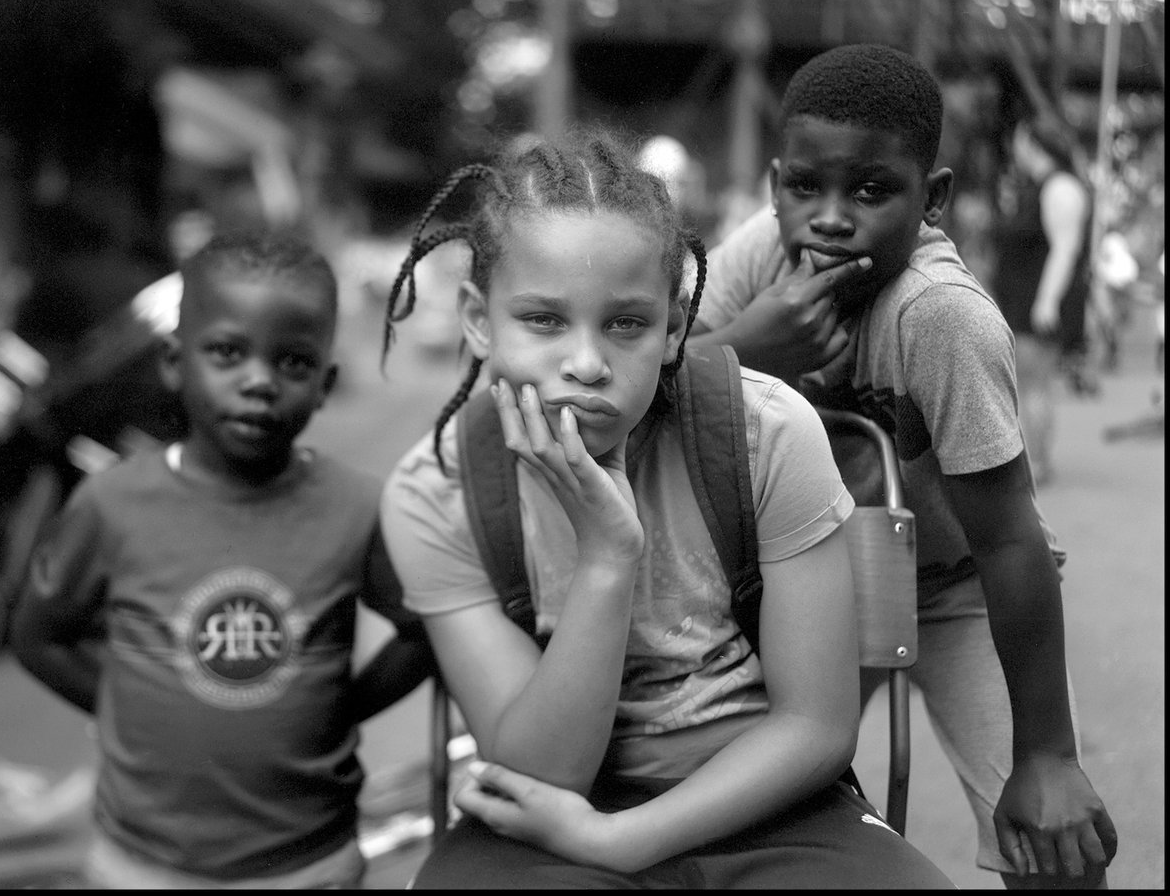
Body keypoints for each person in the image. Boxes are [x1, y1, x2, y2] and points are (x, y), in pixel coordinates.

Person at [377, 126, 953, 889]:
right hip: (550, 811)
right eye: (544, 320)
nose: (586, 365)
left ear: (676, 325)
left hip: (759, 790)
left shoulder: (762, 433)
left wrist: (625, 842)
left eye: (626, 323)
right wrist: (607, 558)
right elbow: (545, 773)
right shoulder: (439, 490)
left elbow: (815, 727)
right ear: (480, 321)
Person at [690, 44, 1117, 889]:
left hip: (959, 586)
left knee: (1054, 844)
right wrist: (744, 350)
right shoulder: (757, 258)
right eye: (804, 187)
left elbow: (1008, 540)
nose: (831, 218)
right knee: (756, 812)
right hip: (819, 590)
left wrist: (1048, 755)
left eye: (873, 191)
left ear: (935, 199)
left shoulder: (939, 316)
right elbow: (647, 387)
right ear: (777, 181)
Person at [8, 231, 435, 889]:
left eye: (292, 362)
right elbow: (41, 634)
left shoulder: (358, 508)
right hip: (142, 866)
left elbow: (422, 630)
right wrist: (130, 704)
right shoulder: (112, 503)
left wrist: (340, 705)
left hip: (310, 862)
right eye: (229, 353)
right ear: (175, 363)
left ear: (325, 384)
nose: (259, 381)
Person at [992, 113, 1096, 481]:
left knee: (1034, 382)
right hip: (1024, 299)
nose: (1015, 148)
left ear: (1035, 145)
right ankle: (1035, 460)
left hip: (1040, 303)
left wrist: (1047, 301)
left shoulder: (1060, 188)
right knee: (1028, 382)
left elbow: (1066, 249)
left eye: (1020, 140)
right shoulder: (1037, 186)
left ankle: (1037, 463)